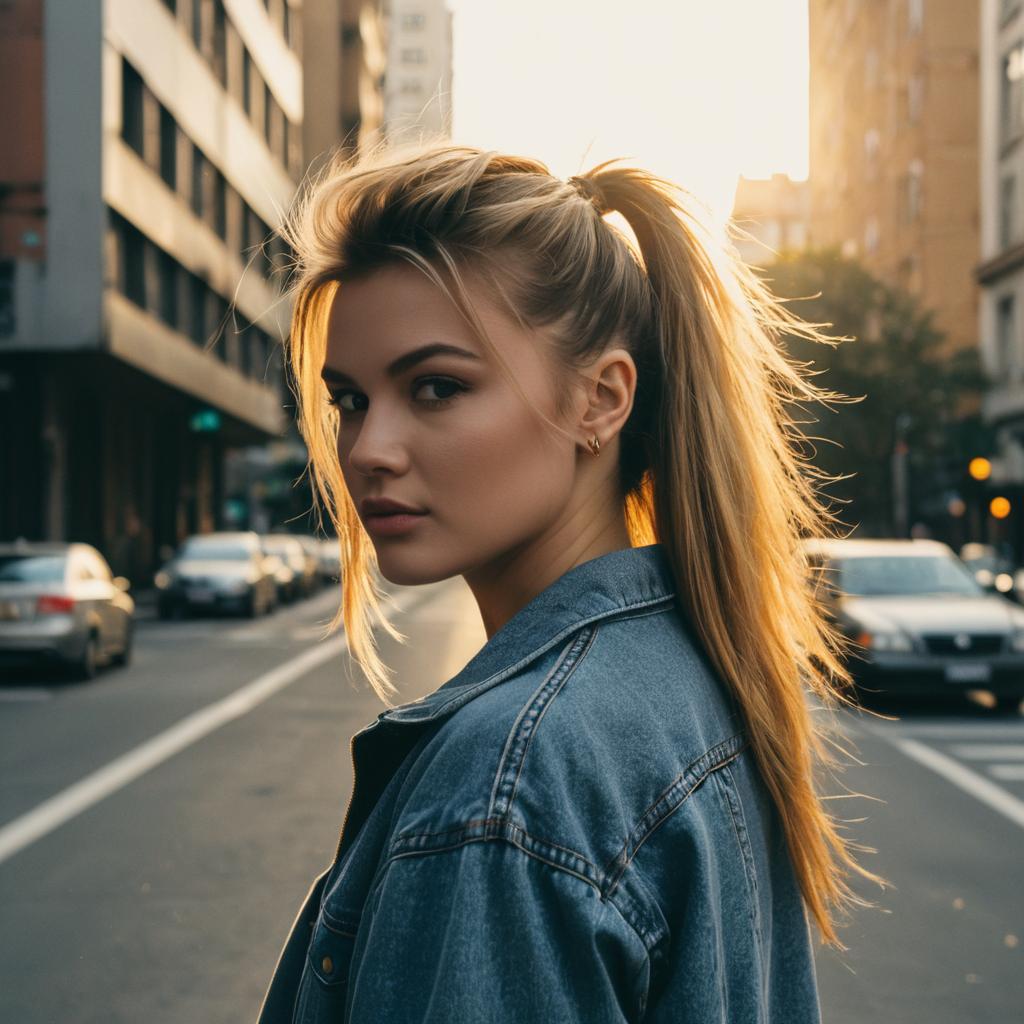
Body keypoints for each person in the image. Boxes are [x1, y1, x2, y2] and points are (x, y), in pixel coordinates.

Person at [256, 142, 886, 1023]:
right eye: (349, 400)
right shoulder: (691, 669)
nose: (368, 450)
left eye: (435, 388)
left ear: (601, 399)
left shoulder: (506, 784)